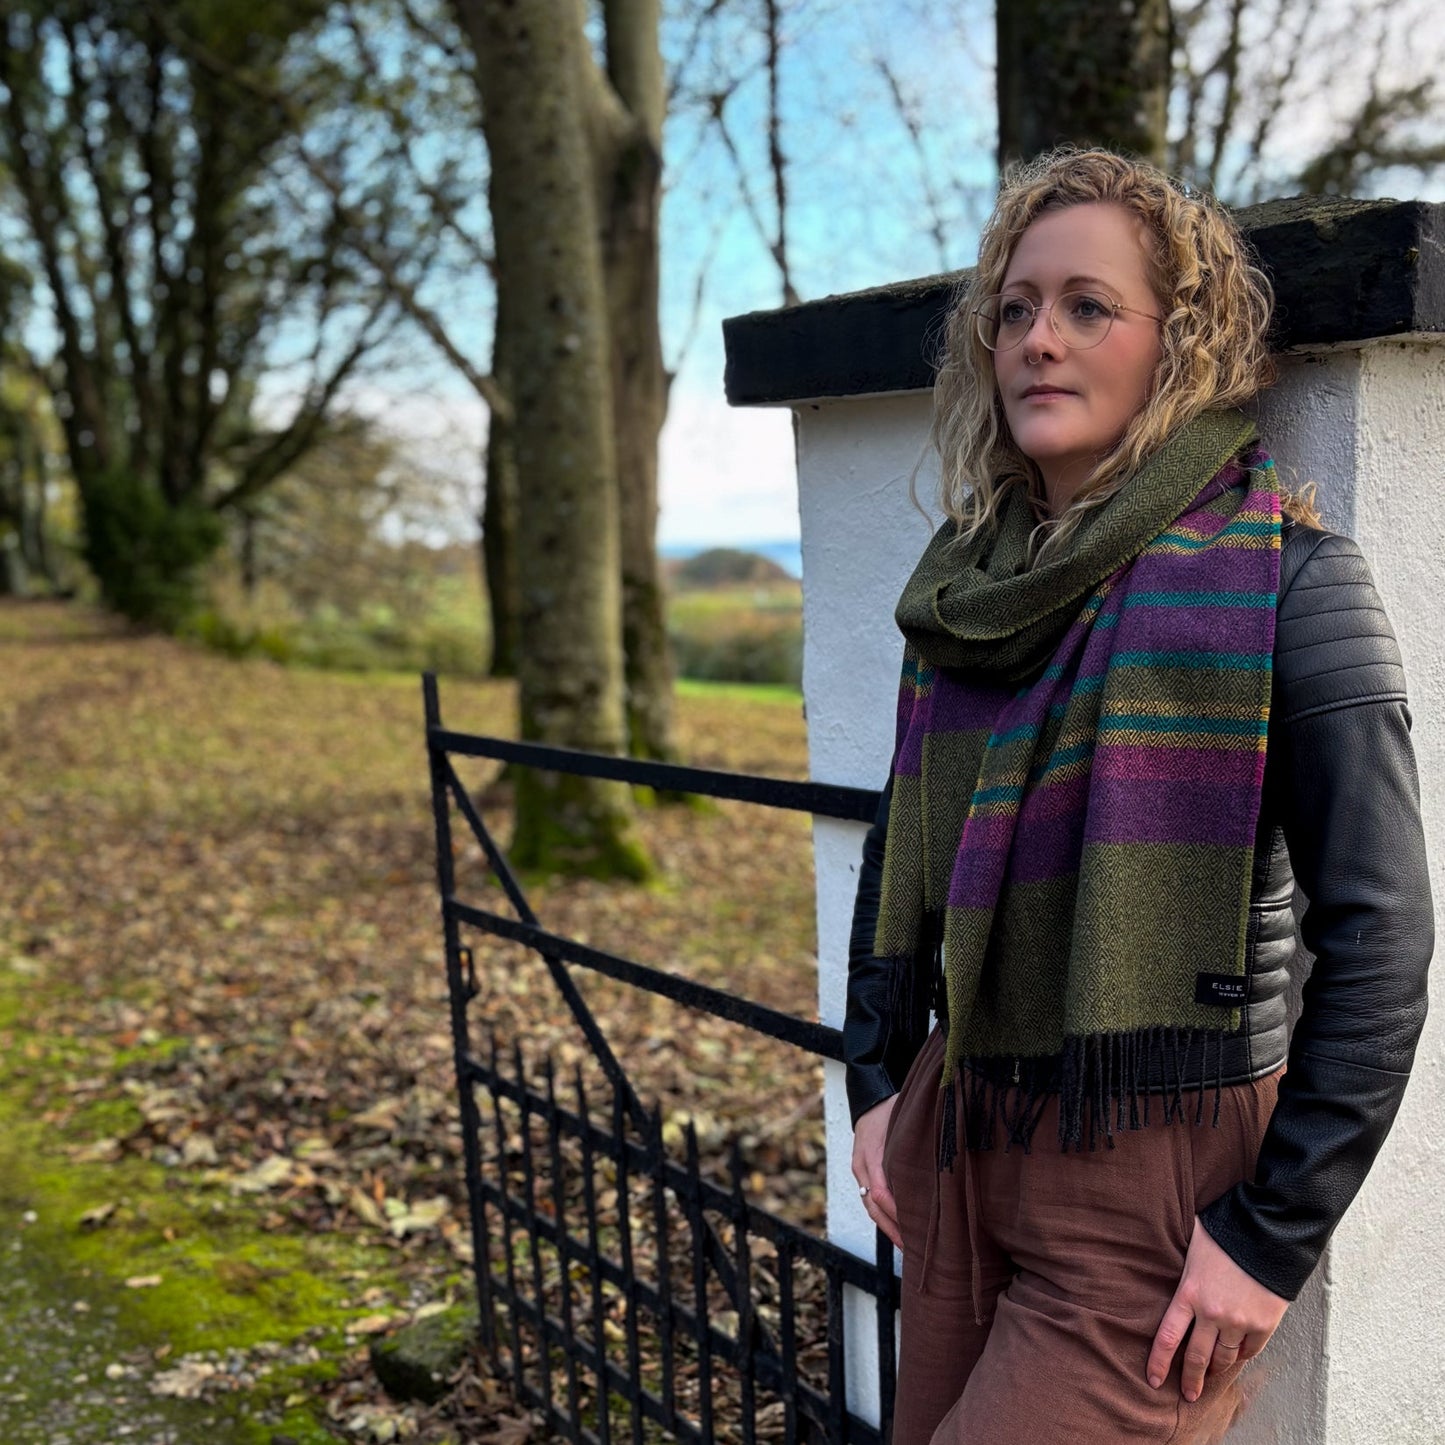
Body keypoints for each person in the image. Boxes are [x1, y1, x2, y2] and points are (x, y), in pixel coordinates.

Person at [844, 147, 1434, 1445]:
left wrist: (1271, 1235)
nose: (1036, 338)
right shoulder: (962, 589)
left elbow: (1383, 933)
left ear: (1178, 341)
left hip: (1149, 1159)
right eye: (1013, 308)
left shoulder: (1286, 578)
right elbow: (903, 839)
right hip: (963, 1114)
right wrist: (875, 1076)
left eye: (1085, 305)